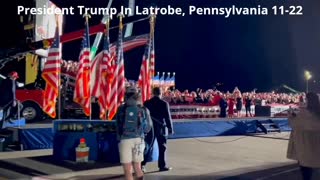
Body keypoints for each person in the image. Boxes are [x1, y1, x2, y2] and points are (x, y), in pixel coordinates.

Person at [116, 86, 152, 180]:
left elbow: (117, 125)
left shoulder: (121, 109)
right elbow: (148, 128)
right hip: (139, 140)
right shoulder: (144, 109)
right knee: (138, 167)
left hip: (125, 140)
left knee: (127, 169)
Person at [287, 92, 320, 180]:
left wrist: (290, 116)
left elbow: (294, 124)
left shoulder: (303, 114)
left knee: (306, 170)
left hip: (305, 147)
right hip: (316, 146)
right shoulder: (317, 113)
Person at [141, 87, 174, 172]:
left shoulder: (147, 103)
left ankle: (142, 165)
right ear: (161, 93)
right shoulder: (164, 103)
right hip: (160, 127)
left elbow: (143, 116)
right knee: (162, 147)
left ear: (153, 93)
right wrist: (170, 128)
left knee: (147, 146)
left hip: (150, 127)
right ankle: (162, 166)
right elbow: (167, 117)